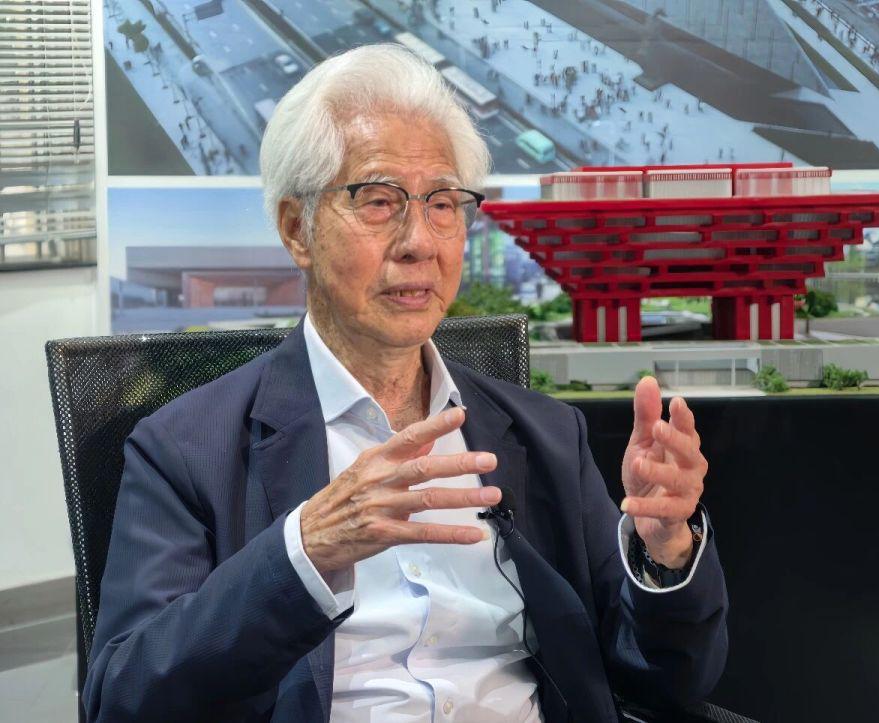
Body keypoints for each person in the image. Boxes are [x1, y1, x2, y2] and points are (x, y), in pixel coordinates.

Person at [84, 44, 727, 722]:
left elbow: (664, 684)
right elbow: (126, 697)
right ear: (297, 229)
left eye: (443, 203)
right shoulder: (186, 447)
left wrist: (664, 554)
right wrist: (304, 550)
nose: (419, 241)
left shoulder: (546, 435)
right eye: (379, 200)